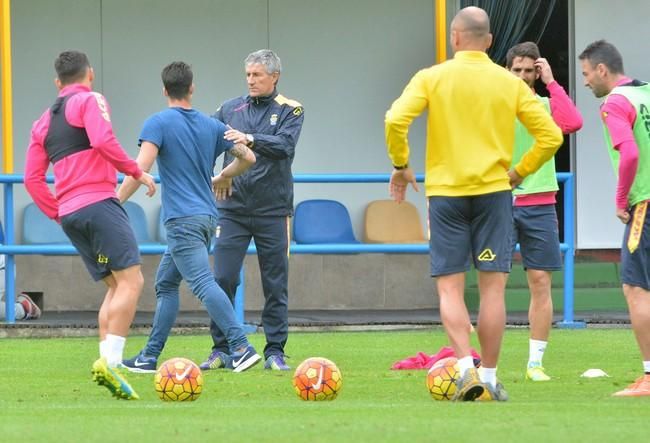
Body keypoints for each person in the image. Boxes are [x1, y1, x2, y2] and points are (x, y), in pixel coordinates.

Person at [384, 7, 562, 401]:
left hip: (446, 194)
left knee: (450, 288)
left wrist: (401, 165)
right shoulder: (509, 82)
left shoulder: (432, 77)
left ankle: (466, 368)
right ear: (491, 42)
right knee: (493, 290)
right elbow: (550, 136)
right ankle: (492, 376)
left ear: (454, 37)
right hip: (495, 194)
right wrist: (519, 172)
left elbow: (396, 120)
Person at [24, 50, 156, 400]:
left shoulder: (41, 122)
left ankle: (104, 361)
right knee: (133, 280)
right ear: (90, 74)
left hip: (72, 216)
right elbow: (101, 140)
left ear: (57, 82)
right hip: (99, 205)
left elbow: (32, 178)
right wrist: (136, 170)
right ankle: (112, 364)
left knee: (114, 285)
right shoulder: (90, 100)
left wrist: (57, 212)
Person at [118, 61, 261, 374]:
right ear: (192, 88)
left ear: (165, 90)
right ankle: (149, 356)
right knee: (166, 284)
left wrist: (116, 202)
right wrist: (224, 175)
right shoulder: (212, 125)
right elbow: (249, 156)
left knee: (202, 283)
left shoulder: (157, 123)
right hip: (207, 219)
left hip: (182, 220)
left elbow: (140, 167)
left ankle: (240, 347)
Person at [200, 49, 304, 372]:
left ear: (275, 77)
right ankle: (222, 349)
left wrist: (250, 138)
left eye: (257, 75)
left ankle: (275, 351)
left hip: (273, 210)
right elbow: (209, 146)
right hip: (232, 209)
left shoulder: (291, 109)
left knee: (275, 281)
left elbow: (284, 147)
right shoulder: (228, 108)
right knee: (223, 278)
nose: (251, 81)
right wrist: (220, 176)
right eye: (248, 75)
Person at [506, 42, 583, 382]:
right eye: (517, 70)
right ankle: (478, 361)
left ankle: (535, 363)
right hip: (498, 201)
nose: (523, 76)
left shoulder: (545, 105)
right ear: (506, 71)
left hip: (539, 203)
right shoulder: (493, 104)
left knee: (540, 282)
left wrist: (551, 81)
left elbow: (573, 122)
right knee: (491, 282)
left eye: (528, 71)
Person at [579, 40, 650, 397]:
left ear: (603, 70)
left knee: (636, 288)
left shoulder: (615, 103)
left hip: (645, 204)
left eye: (587, 74)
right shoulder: (647, 95)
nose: (586, 81)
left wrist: (621, 198)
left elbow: (631, 153)